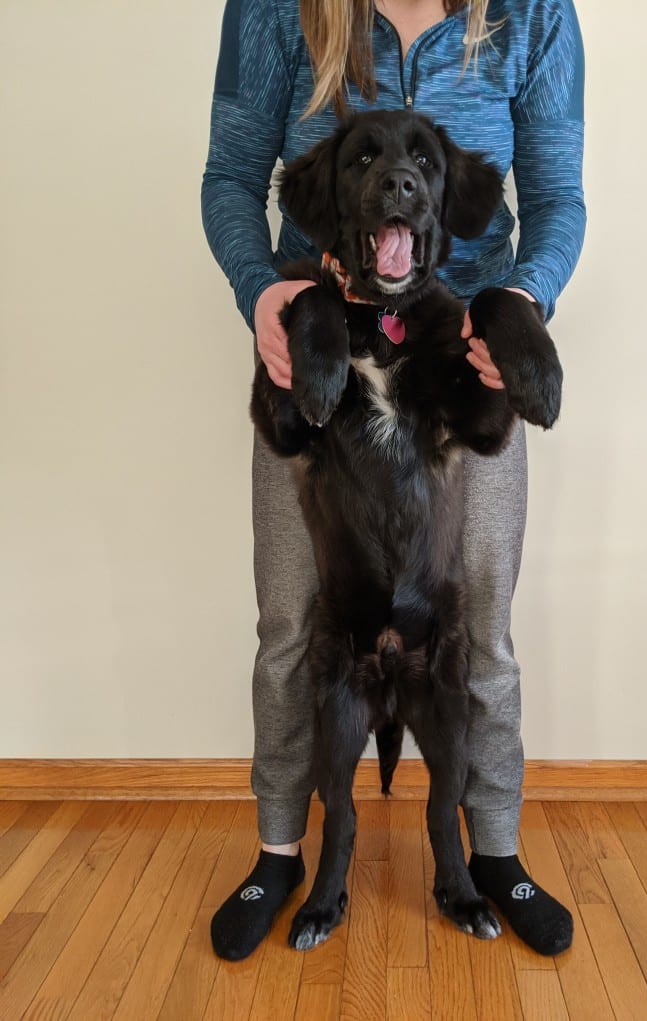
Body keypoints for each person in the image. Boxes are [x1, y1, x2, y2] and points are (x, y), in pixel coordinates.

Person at [202, 0, 585, 962]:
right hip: (316, 353)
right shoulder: (275, 11)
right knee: (292, 622)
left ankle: (490, 850)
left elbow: (558, 193)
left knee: (479, 623)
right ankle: (281, 853)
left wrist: (525, 301)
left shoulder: (532, 14)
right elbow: (231, 177)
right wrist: (263, 293)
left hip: (457, 354)